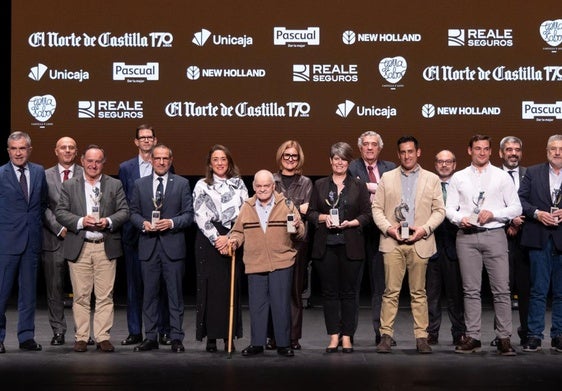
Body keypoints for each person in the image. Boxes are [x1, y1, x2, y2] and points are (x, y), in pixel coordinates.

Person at [446, 134, 521, 356]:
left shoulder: (501, 176)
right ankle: (473, 336)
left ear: (491, 151)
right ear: (469, 151)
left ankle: (504, 338)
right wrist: (460, 219)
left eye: (486, 149)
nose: (482, 152)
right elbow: (448, 208)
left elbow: (516, 208)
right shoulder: (458, 177)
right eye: (477, 148)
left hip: (495, 234)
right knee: (470, 290)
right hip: (467, 236)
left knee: (501, 290)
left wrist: (495, 213)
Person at [372, 135, 445, 354]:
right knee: (390, 292)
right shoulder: (387, 177)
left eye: (410, 151)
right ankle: (386, 336)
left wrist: (423, 230)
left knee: (419, 293)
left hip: (419, 241)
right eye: (403, 152)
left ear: (418, 152)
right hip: (392, 242)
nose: (407, 155)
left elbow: (439, 211)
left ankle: (421, 337)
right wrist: (389, 229)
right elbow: (376, 208)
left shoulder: (432, 179)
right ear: (398, 154)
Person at [55, 144, 129, 353]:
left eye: (98, 161)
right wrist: (80, 221)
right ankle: (81, 337)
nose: (93, 165)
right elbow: (60, 212)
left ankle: (103, 337)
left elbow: (124, 211)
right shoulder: (70, 185)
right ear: (82, 161)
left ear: (103, 163)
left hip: (105, 246)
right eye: (90, 161)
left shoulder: (114, 185)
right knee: (80, 296)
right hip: (81, 246)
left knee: (105, 296)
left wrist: (107, 221)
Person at [228, 169, 305, 358]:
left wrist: (297, 227)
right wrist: (234, 241)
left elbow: (301, 232)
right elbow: (238, 231)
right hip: (255, 261)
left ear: (273, 186)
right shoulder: (247, 206)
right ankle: (257, 343)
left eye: (266, 186)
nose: (262, 189)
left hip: (282, 260)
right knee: (257, 305)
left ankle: (283, 343)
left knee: (280, 304)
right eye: (259, 186)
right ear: (254, 186)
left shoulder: (286, 204)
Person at [307, 142, 372, 353]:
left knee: (349, 294)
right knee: (330, 294)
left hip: (350, 245)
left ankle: (347, 337)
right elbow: (310, 213)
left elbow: (367, 214)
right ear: (330, 161)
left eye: (343, 159)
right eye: (336, 158)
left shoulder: (359, 185)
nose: (339, 162)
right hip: (326, 247)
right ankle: (334, 336)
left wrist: (352, 223)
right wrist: (324, 217)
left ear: (349, 162)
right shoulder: (320, 186)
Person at [129, 144, 194, 353]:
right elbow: (133, 212)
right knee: (149, 295)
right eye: (157, 158)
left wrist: (172, 223)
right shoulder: (140, 184)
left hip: (173, 247)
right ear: (151, 160)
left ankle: (176, 337)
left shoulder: (182, 184)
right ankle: (150, 337)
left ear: (171, 160)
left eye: (165, 158)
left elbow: (189, 215)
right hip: (148, 247)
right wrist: (142, 224)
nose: (161, 162)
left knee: (175, 296)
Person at [118, 124, 171, 346]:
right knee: (135, 286)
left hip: (161, 234)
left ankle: (164, 331)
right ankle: (135, 332)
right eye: (143, 138)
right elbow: (123, 201)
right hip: (135, 234)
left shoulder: (165, 163)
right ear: (136, 142)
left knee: (161, 285)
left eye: (150, 137)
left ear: (155, 140)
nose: (147, 141)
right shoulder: (126, 168)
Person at [193, 144, 248, 352]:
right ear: (210, 163)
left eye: (223, 159)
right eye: (215, 159)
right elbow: (200, 214)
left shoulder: (239, 184)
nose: (220, 163)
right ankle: (211, 337)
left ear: (229, 162)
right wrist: (218, 239)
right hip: (209, 240)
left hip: (232, 237)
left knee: (228, 290)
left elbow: (244, 213)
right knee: (209, 289)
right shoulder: (201, 185)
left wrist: (231, 238)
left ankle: (229, 336)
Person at [0, 131, 47, 354]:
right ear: (8, 151)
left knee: (28, 293)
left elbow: (42, 204)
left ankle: (26, 337)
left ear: (29, 149)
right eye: (14, 148)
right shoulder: (0, 174)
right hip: (6, 243)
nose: (18, 153)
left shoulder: (38, 172)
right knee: (1, 292)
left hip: (31, 242)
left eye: (22, 148)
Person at [348, 130, 396, 345]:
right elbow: (351, 195)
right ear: (360, 148)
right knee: (353, 287)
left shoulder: (391, 168)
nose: (369, 148)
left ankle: (382, 333)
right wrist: (374, 188)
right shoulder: (351, 168)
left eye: (373, 144)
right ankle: (348, 334)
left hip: (382, 233)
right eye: (365, 144)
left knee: (381, 287)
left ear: (379, 148)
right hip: (357, 233)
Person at [265, 140, 313, 351]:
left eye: (294, 156)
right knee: (274, 292)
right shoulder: (271, 180)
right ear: (280, 157)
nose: (290, 159)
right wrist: (295, 207)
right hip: (273, 242)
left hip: (297, 243)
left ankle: (293, 337)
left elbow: (307, 212)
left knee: (294, 292)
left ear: (299, 158)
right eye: (287, 156)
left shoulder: (306, 183)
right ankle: (274, 337)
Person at [518, 134, 562, 353]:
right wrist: (536, 214)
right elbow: (521, 200)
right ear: (547, 151)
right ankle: (535, 335)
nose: (557, 152)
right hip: (539, 236)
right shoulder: (533, 173)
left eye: (561, 149)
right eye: (553, 148)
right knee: (538, 290)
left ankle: (559, 335)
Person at [42, 136, 83, 346]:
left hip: (79, 237)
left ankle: (82, 332)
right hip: (53, 239)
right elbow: (43, 206)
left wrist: (75, 226)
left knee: (81, 289)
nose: (67, 151)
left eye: (71, 148)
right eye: (63, 147)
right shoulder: (44, 175)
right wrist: (59, 228)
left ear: (76, 152)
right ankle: (58, 331)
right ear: (56, 151)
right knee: (54, 288)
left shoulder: (86, 173)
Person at [425, 150, 466, 346]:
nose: (444, 165)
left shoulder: (462, 186)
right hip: (430, 247)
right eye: (440, 161)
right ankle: (431, 332)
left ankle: (459, 332)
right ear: (435, 164)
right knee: (431, 295)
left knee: (455, 295)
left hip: (454, 247)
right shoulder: (427, 185)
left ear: (454, 164)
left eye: (448, 161)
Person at [497, 136, 529, 347]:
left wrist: (519, 221)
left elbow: (533, 200)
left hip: (526, 238)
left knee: (526, 288)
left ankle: (526, 333)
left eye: (517, 149)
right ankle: (501, 334)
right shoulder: (493, 175)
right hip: (500, 236)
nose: (513, 153)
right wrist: (509, 220)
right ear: (501, 153)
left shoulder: (530, 175)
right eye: (509, 149)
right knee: (500, 287)